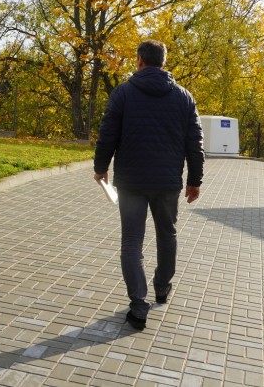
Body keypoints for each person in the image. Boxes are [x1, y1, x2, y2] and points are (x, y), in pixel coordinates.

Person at [93, 39, 204, 331]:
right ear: (163, 62)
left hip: (131, 181)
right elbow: (195, 144)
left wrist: (101, 168)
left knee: (132, 241)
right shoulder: (184, 97)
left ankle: (139, 305)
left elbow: (107, 134)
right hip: (168, 183)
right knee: (167, 235)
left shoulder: (123, 93)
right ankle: (162, 287)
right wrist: (194, 181)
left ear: (140, 60)